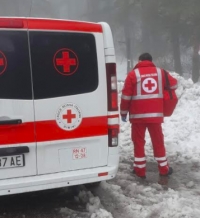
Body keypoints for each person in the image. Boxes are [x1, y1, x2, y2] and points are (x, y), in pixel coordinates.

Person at [120, 53, 178, 179]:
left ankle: (140, 170)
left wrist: (123, 112)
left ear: (140, 60)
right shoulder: (160, 72)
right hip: (155, 115)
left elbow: (126, 96)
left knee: (138, 142)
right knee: (158, 141)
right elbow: (174, 84)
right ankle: (164, 169)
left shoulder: (133, 74)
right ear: (151, 61)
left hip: (137, 116)